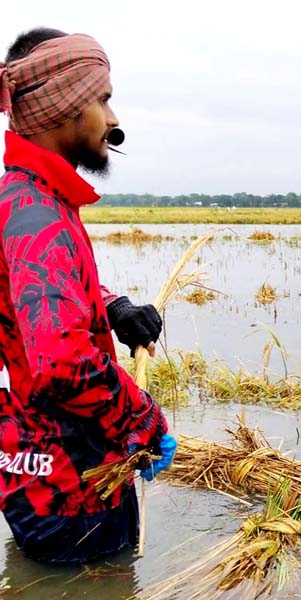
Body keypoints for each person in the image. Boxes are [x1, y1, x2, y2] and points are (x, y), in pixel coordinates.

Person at [0, 27, 176, 564]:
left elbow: (40, 299)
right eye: (102, 99)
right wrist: (141, 418)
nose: (114, 119)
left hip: (54, 474)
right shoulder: (35, 212)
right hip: (69, 489)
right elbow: (61, 362)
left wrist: (113, 308)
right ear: (62, 108)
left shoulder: (35, 200)